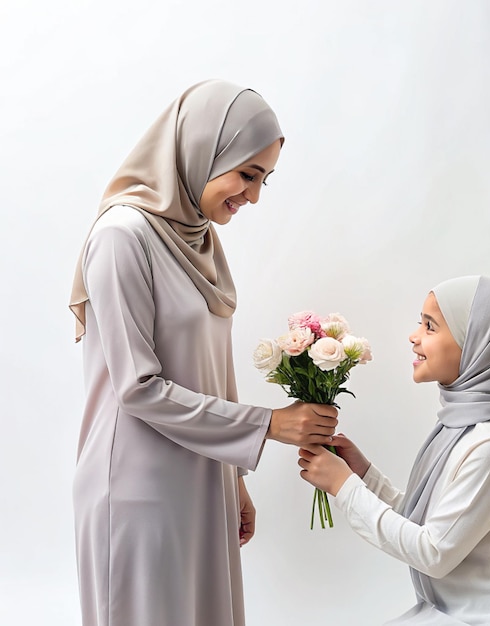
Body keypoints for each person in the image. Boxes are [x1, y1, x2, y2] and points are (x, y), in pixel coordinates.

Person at [69, 79, 338, 626]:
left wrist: (232, 477)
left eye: (264, 179)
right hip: (139, 493)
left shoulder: (197, 238)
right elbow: (136, 388)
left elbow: (210, 370)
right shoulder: (123, 238)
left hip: (197, 480)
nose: (255, 196)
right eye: (247, 174)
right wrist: (270, 425)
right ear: (201, 150)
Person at [298, 276, 490, 625]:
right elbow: (430, 523)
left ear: (478, 345)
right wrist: (364, 475)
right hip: (453, 612)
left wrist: (344, 487)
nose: (414, 335)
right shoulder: (462, 425)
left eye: (430, 325)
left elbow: (433, 550)